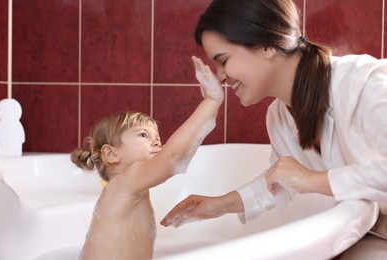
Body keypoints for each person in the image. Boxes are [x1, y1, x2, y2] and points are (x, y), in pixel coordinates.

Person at [160, 0, 387, 257]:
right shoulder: (279, 116)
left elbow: (300, 177)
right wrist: (221, 205)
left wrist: (311, 179)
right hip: (372, 229)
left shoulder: (367, 85)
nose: (220, 76)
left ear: (267, 45)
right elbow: (281, 179)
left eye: (223, 61)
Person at [70, 56, 223, 260]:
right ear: (111, 153)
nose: (158, 143)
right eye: (144, 135)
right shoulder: (125, 182)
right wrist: (211, 102)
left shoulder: (129, 188)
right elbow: (172, 158)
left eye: (158, 138)